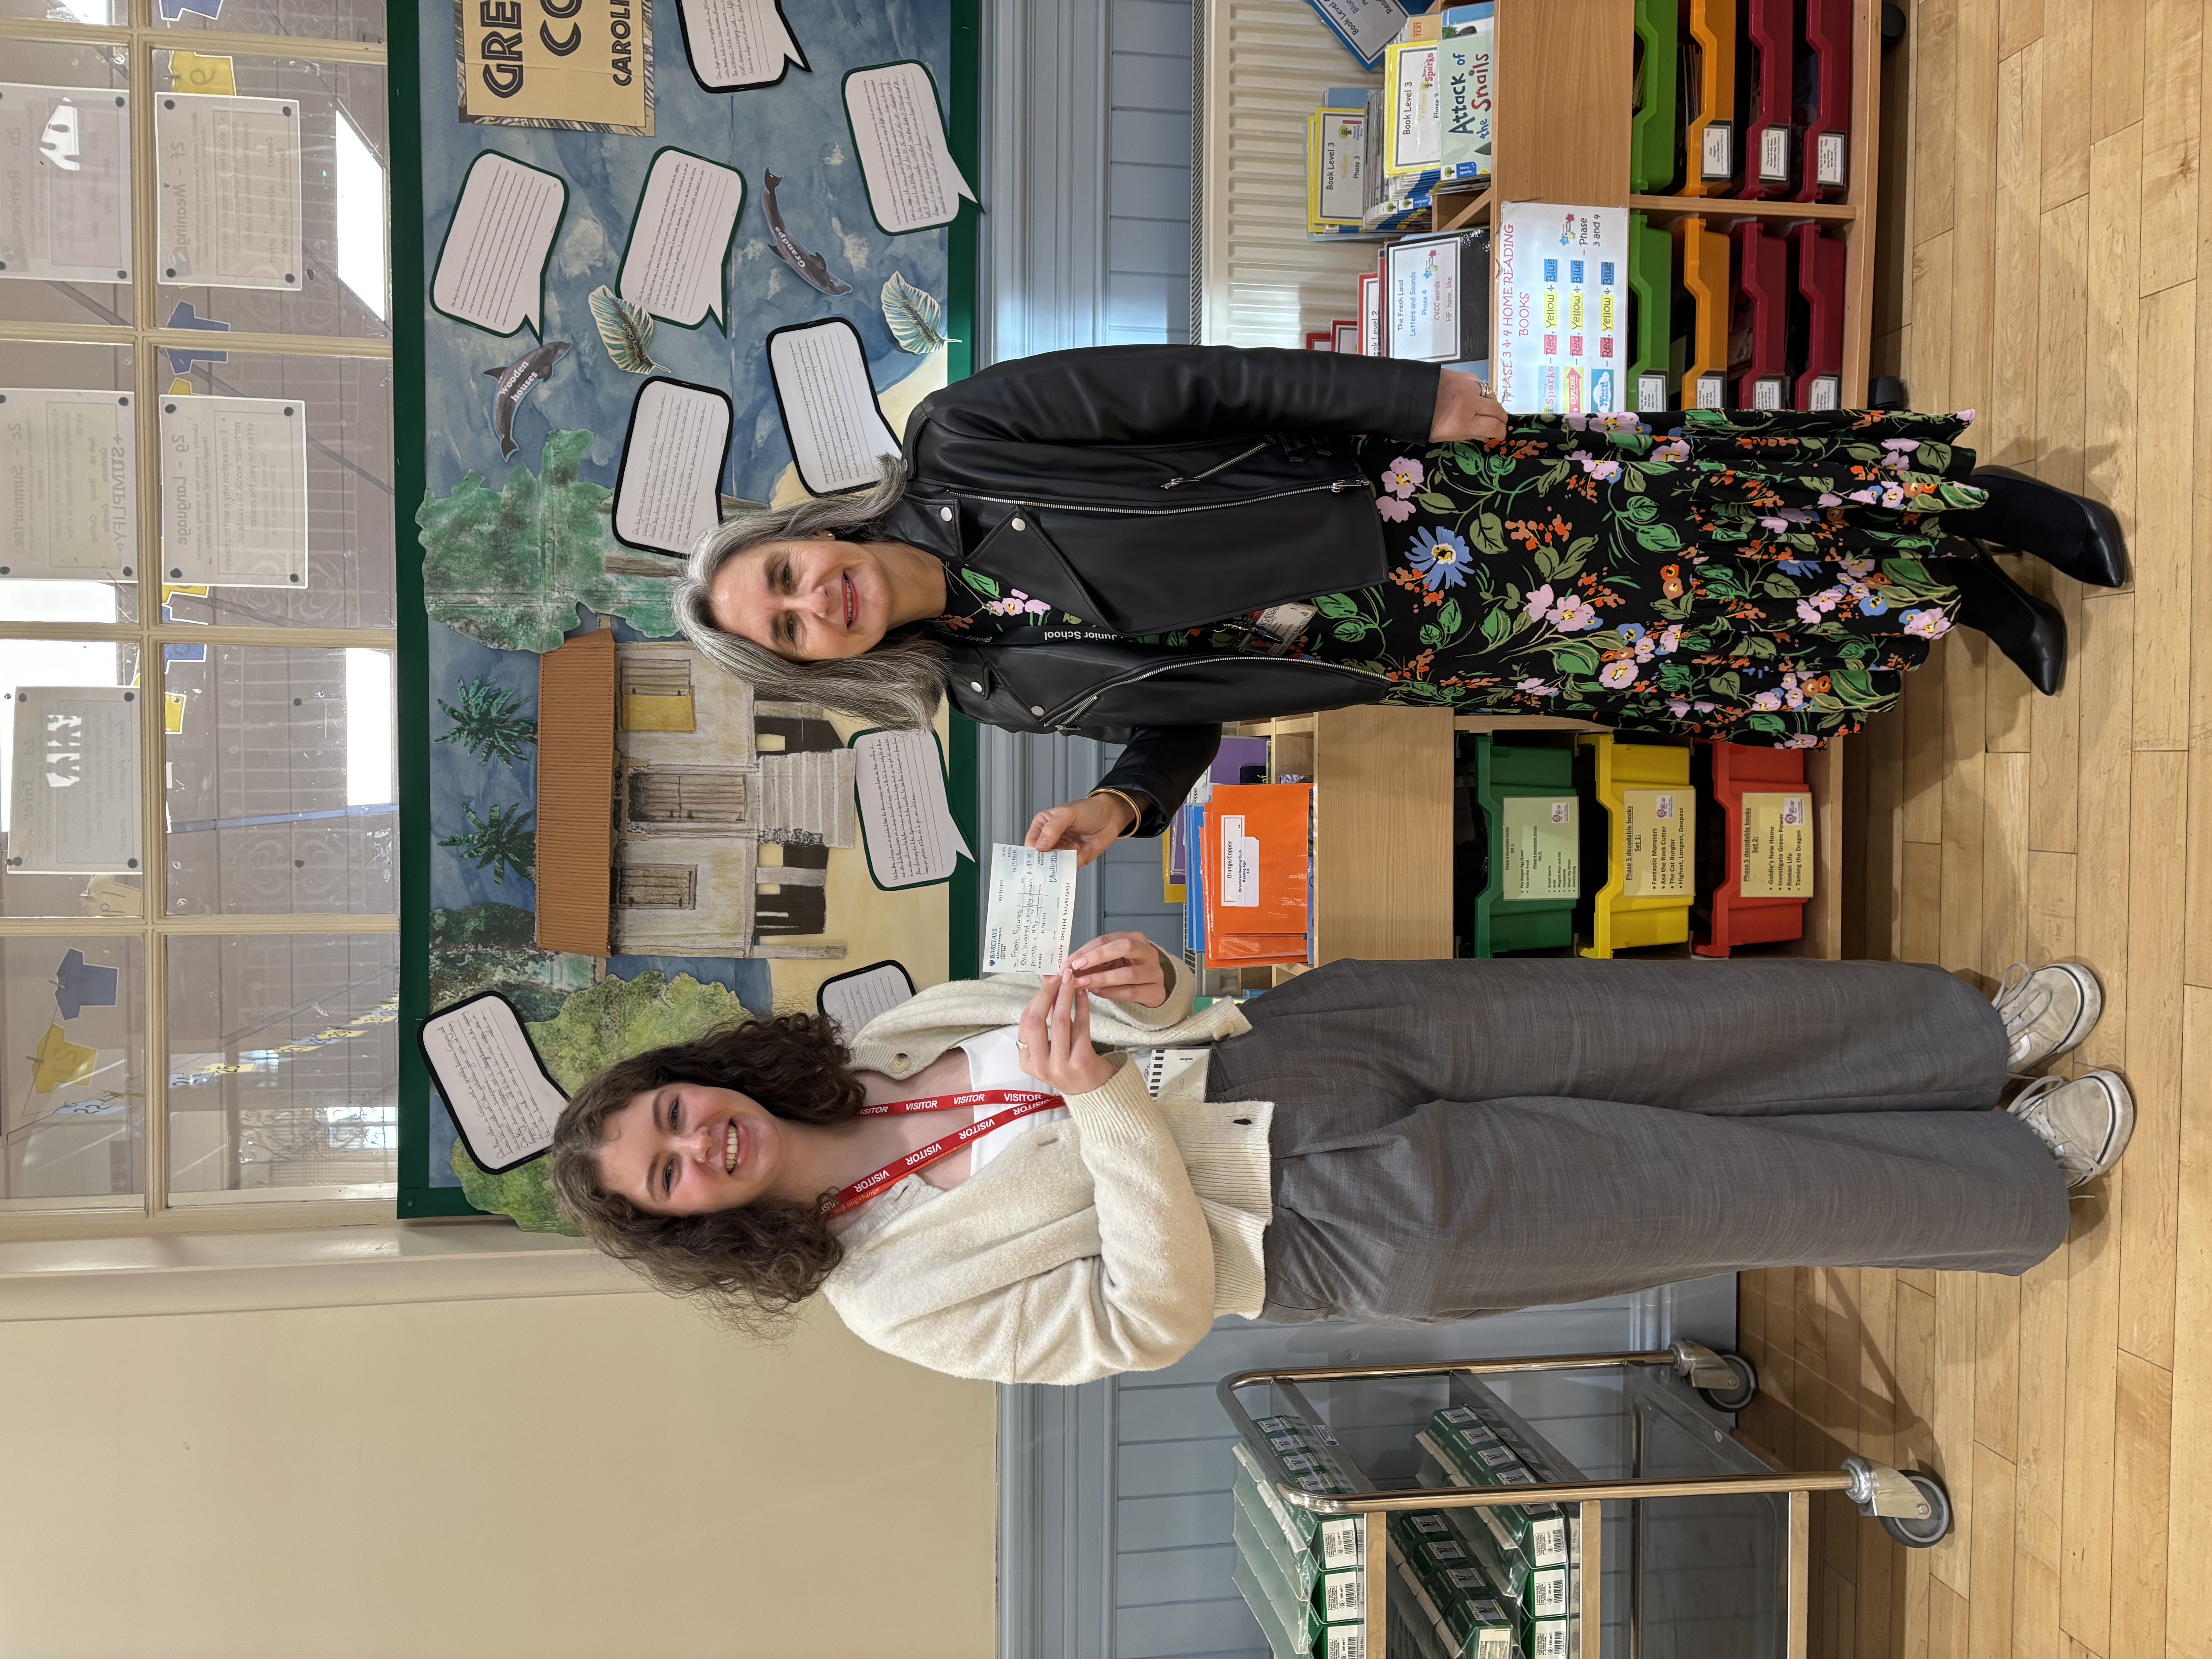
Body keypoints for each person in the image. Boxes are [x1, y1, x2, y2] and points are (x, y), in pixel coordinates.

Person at [675, 346, 2127, 865]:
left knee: (1698, 518)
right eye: (787, 630)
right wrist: (1125, 803)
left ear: (807, 532)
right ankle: (1953, 594)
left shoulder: (968, 438)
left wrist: (1405, 397)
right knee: (1684, 631)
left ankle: (1987, 507)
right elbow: (1189, 708)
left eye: (786, 576)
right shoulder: (991, 689)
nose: (815, 602)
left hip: (1416, 512)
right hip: (1423, 650)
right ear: (820, 664)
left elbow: (1200, 381)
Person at [548, 940, 2133, 1386]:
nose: (698, 1141)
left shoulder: (886, 1038)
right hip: (1333, 1222)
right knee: (1702, 1187)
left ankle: (1960, 1041)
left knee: (1670, 1028)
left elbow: (1156, 1013)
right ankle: (2011, 1175)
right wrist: (1101, 1106)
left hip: (1309, 1045)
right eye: (671, 1175)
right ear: (697, 1226)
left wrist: (1155, 982)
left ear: (699, 1077)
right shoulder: (891, 1300)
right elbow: (1147, 1319)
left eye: (672, 1112)